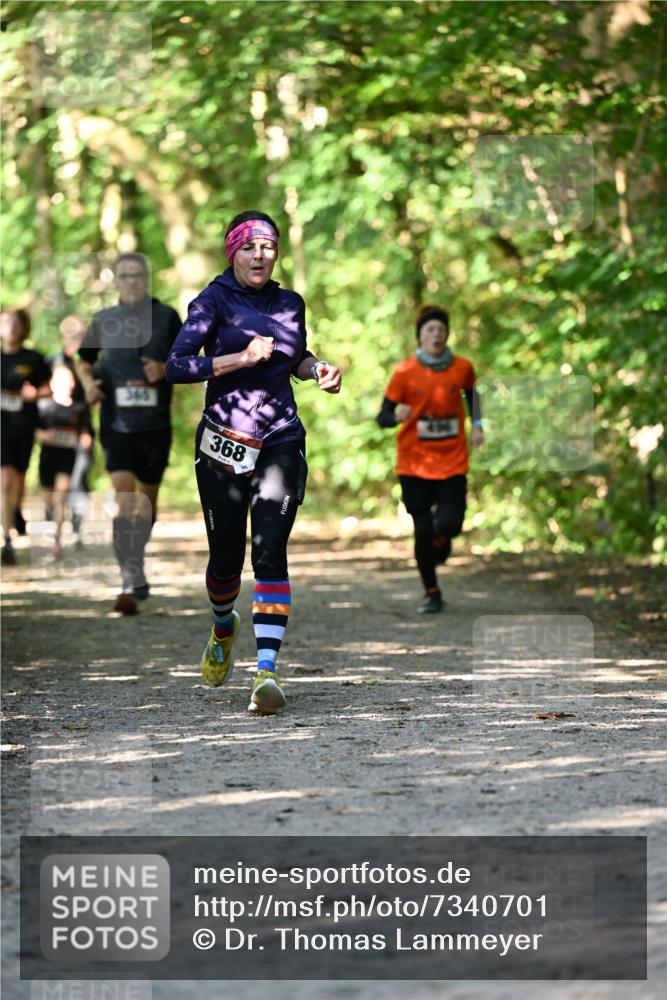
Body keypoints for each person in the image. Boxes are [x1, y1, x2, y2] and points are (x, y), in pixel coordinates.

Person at [166, 210, 342, 714]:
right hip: (224, 441)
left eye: (268, 246)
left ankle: (266, 671)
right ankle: (224, 625)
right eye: (249, 247)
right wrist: (238, 359)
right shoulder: (212, 301)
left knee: (269, 549)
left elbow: (296, 355)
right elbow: (177, 366)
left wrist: (317, 370)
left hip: (280, 436)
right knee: (225, 560)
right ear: (233, 252)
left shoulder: (290, 303)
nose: (259, 255)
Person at [75, 253, 182, 614]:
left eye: (137, 275)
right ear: (115, 281)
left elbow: (189, 361)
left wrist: (166, 369)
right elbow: (83, 360)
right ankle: (130, 576)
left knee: (148, 505)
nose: (131, 281)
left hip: (154, 426)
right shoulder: (104, 320)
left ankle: (134, 560)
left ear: (147, 278)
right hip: (116, 424)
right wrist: (89, 384)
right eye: (124, 276)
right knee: (124, 495)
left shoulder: (166, 317)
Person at [377, 304, 483, 613]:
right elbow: (381, 417)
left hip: (452, 461)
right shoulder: (404, 372)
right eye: (430, 330)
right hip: (413, 463)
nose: (436, 335)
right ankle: (432, 592)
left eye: (441, 330)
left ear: (447, 335)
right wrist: (395, 415)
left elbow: (474, 397)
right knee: (422, 530)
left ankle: (442, 536)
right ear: (420, 336)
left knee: (449, 525)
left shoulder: (462, 367)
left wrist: (477, 425)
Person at [1, 308, 51, 565]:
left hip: (23, 426)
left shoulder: (33, 359)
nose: (9, 327)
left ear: (23, 328)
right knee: (5, 481)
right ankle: (7, 541)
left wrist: (35, 394)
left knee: (17, 481)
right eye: (5, 322)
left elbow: (48, 389)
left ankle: (14, 511)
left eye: (14, 323)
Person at [36, 364, 93, 559]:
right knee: (50, 501)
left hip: (67, 458)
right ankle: (53, 522)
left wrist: (85, 438)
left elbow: (86, 431)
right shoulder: (44, 406)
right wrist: (44, 435)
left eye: (68, 379)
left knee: (62, 495)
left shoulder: (79, 408)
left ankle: (57, 541)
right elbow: (35, 430)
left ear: (73, 383)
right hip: (48, 457)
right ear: (52, 383)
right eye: (60, 379)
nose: (65, 383)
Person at [49, 315, 94, 546]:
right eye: (70, 333)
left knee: (78, 480)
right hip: (55, 432)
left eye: (78, 333)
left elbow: (94, 399)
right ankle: (54, 524)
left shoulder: (89, 362)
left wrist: (87, 432)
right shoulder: (53, 361)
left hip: (82, 430)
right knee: (55, 484)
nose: (74, 337)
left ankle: (76, 527)